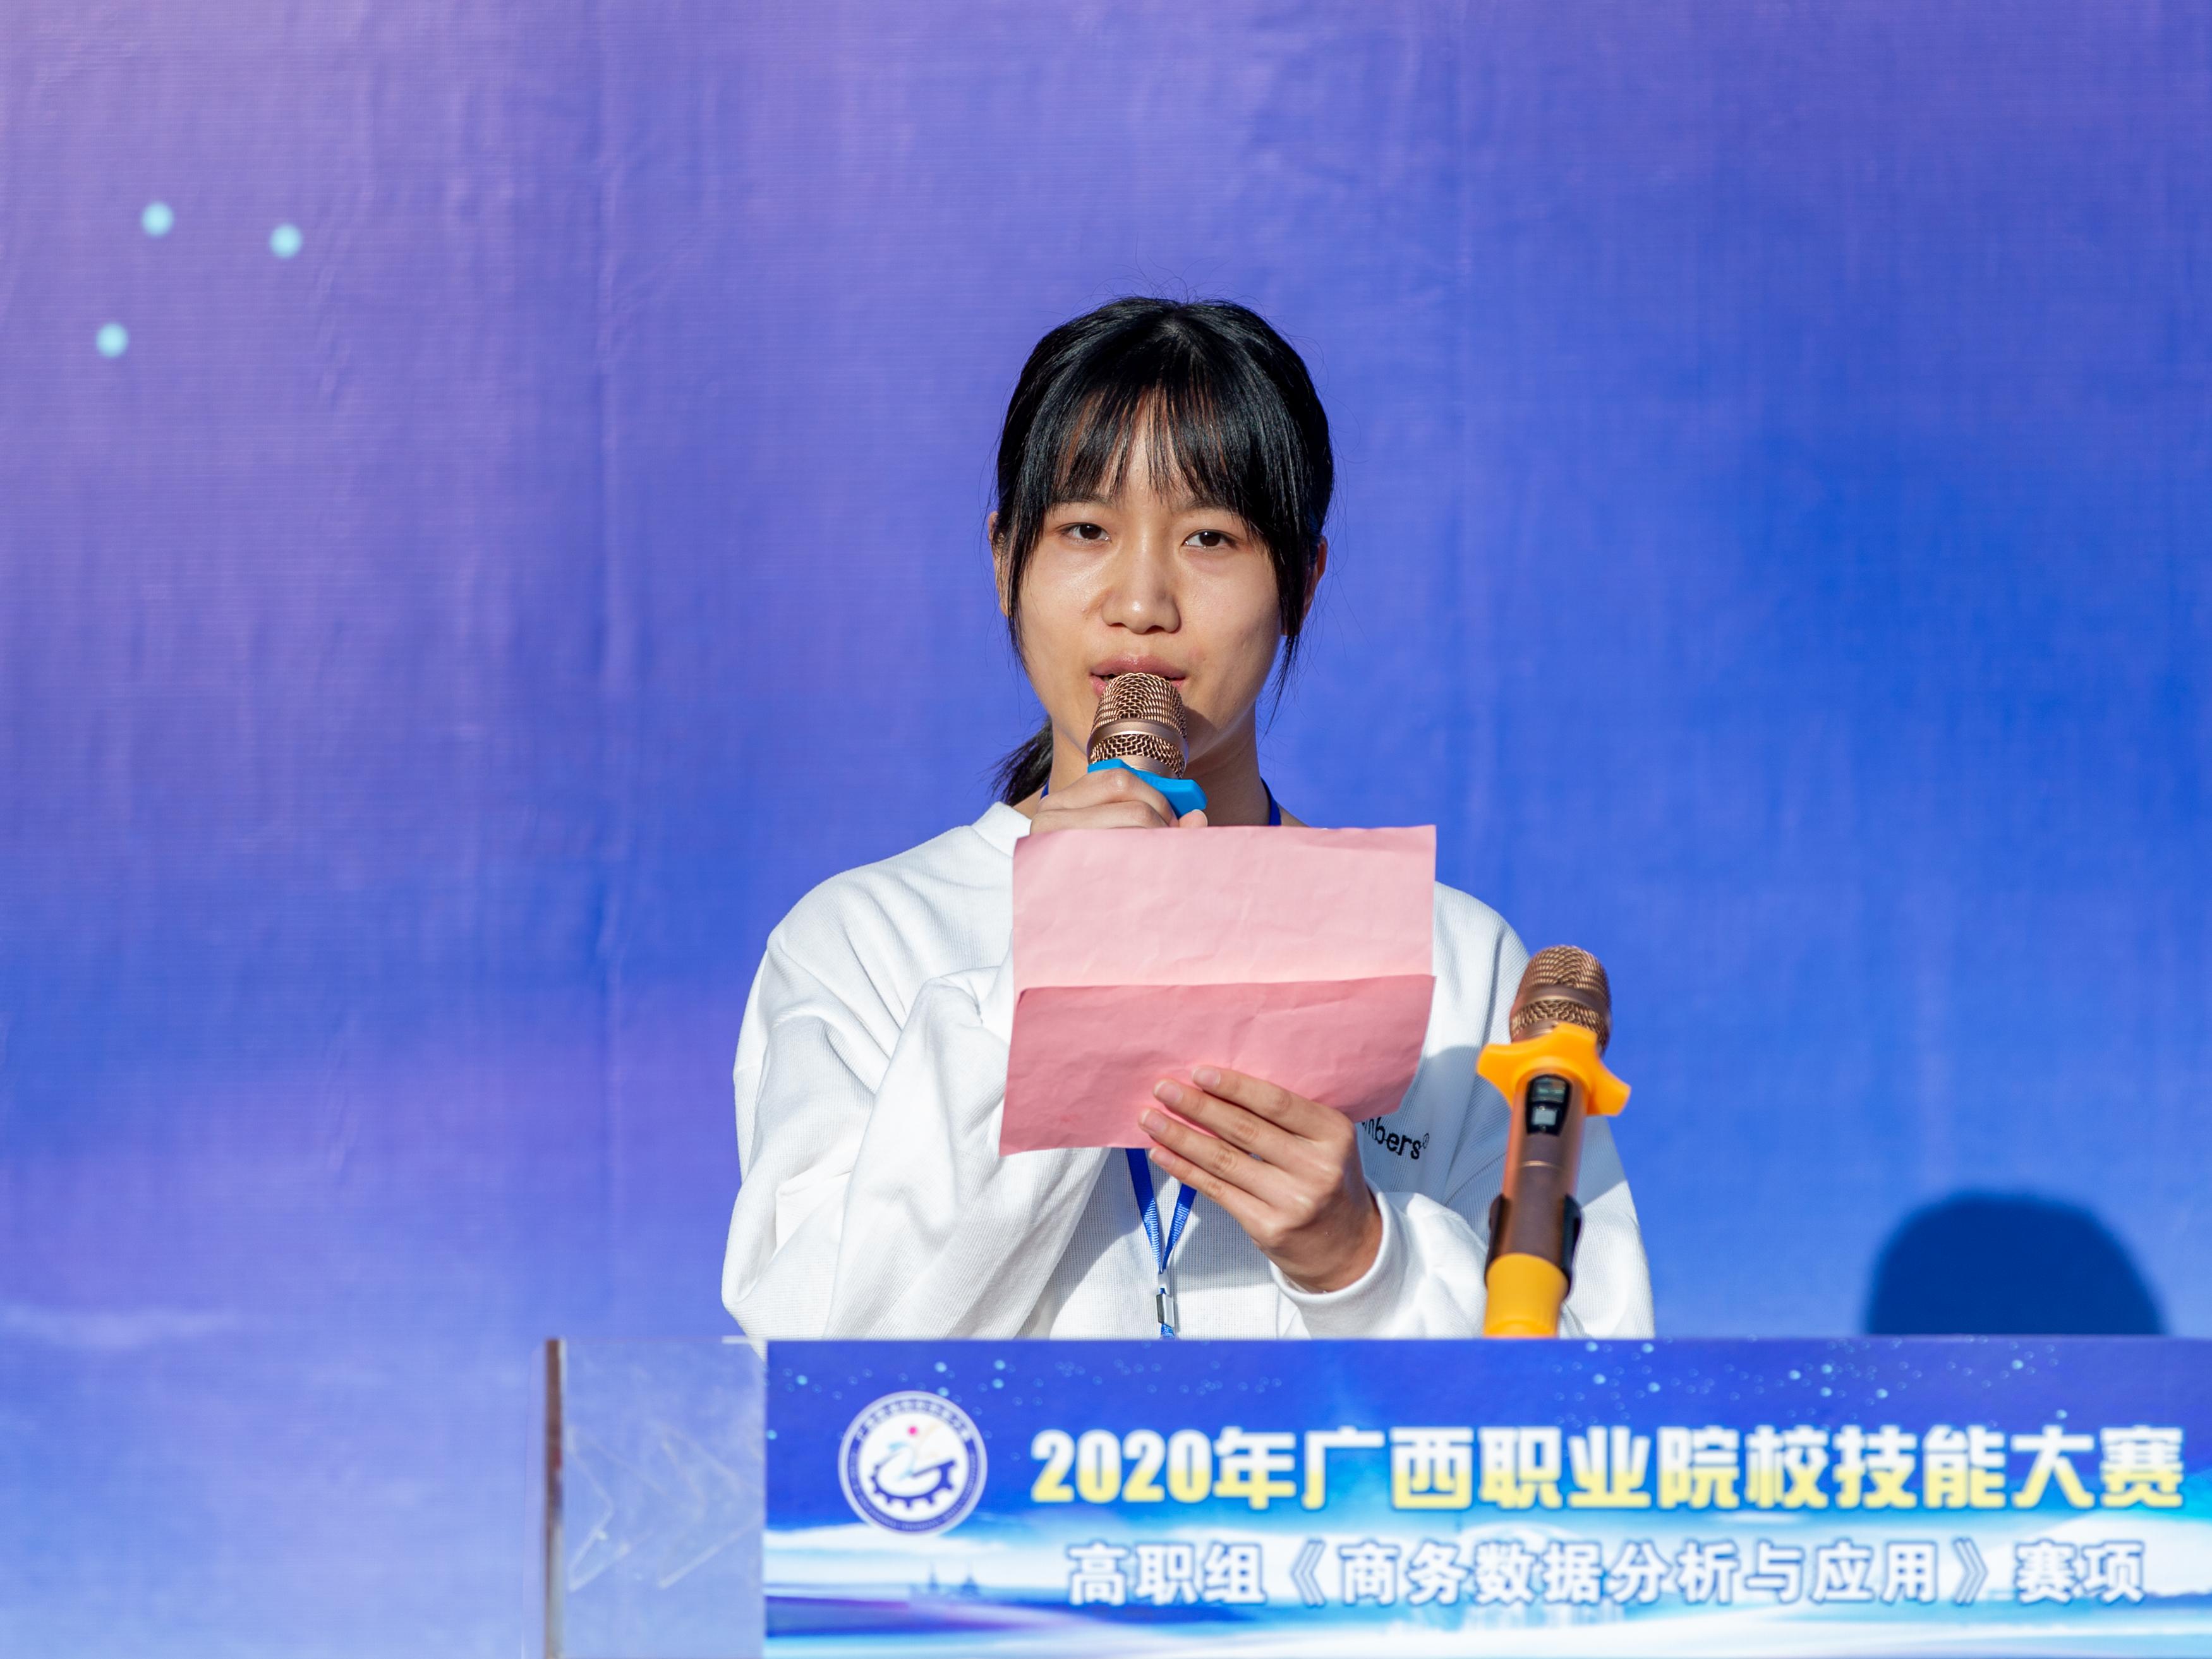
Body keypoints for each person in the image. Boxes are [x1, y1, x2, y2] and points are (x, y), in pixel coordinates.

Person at [720, 297, 1653, 1339]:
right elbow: (817, 1355)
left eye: (1210, 537)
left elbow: (1587, 1391)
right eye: (1085, 530)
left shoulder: (1451, 958)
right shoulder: (864, 942)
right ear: (1003, 560)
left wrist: (1361, 1259)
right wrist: (1046, 967)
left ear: (1301, 581)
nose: (1141, 602)